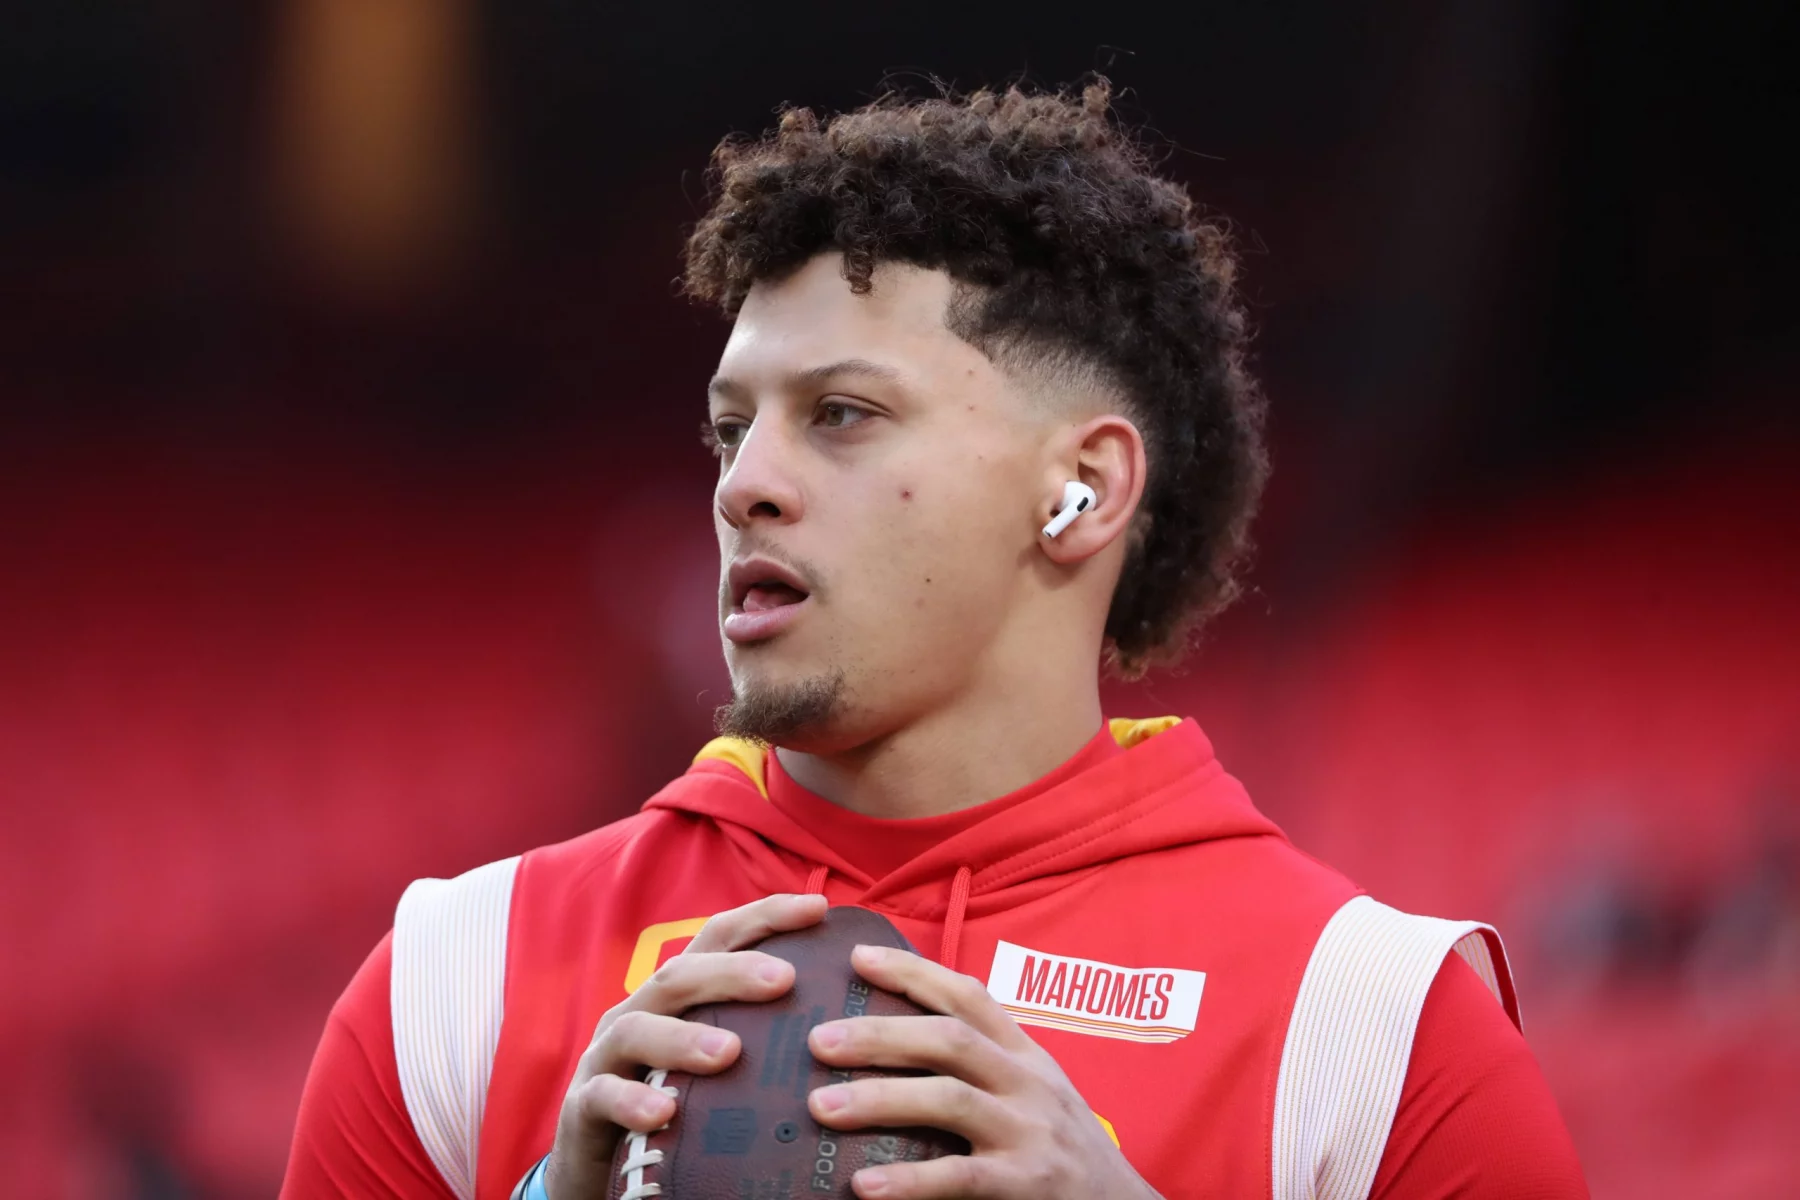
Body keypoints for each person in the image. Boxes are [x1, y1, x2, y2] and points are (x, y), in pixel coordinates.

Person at [281, 81, 1588, 1200]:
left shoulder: (1369, 1034)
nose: (745, 487)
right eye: (732, 429)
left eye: (841, 415)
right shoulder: (454, 987)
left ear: (1079, 491)